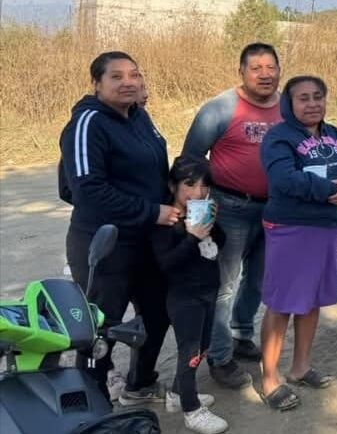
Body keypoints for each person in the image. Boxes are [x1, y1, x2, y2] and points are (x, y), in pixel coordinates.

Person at [59, 51, 175, 403]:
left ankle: (139, 385)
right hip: (104, 244)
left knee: (157, 314)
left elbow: (153, 171)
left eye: (134, 75)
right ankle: (93, 402)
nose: (128, 82)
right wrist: (150, 211)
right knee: (100, 328)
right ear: (96, 84)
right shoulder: (87, 123)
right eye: (116, 76)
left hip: (149, 241)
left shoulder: (140, 117)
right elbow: (85, 191)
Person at [258, 76, 337, 411]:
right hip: (292, 228)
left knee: (312, 299)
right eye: (303, 98)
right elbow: (283, 179)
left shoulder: (333, 133)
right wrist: (331, 190)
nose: (312, 104)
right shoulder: (278, 137)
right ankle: (269, 378)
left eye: (318, 97)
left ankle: (300, 366)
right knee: (282, 302)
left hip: (326, 229)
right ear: (289, 104)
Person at [182, 43, 282, 389]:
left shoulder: (288, 107)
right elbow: (190, 161)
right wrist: (194, 214)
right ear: (242, 71)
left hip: (275, 210)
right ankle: (220, 357)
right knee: (224, 285)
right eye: (256, 68)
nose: (265, 74)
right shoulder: (220, 109)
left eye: (271, 67)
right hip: (230, 209)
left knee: (259, 279)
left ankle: (241, 335)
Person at [151, 156, 229, 434]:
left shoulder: (201, 209)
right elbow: (166, 263)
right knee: (191, 353)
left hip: (208, 290)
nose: (198, 192)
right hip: (185, 297)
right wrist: (191, 236)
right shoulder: (167, 219)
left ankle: (177, 394)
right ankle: (191, 410)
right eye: (190, 184)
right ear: (173, 186)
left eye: (205, 185)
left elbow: (219, 243)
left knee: (203, 346)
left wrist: (211, 225)